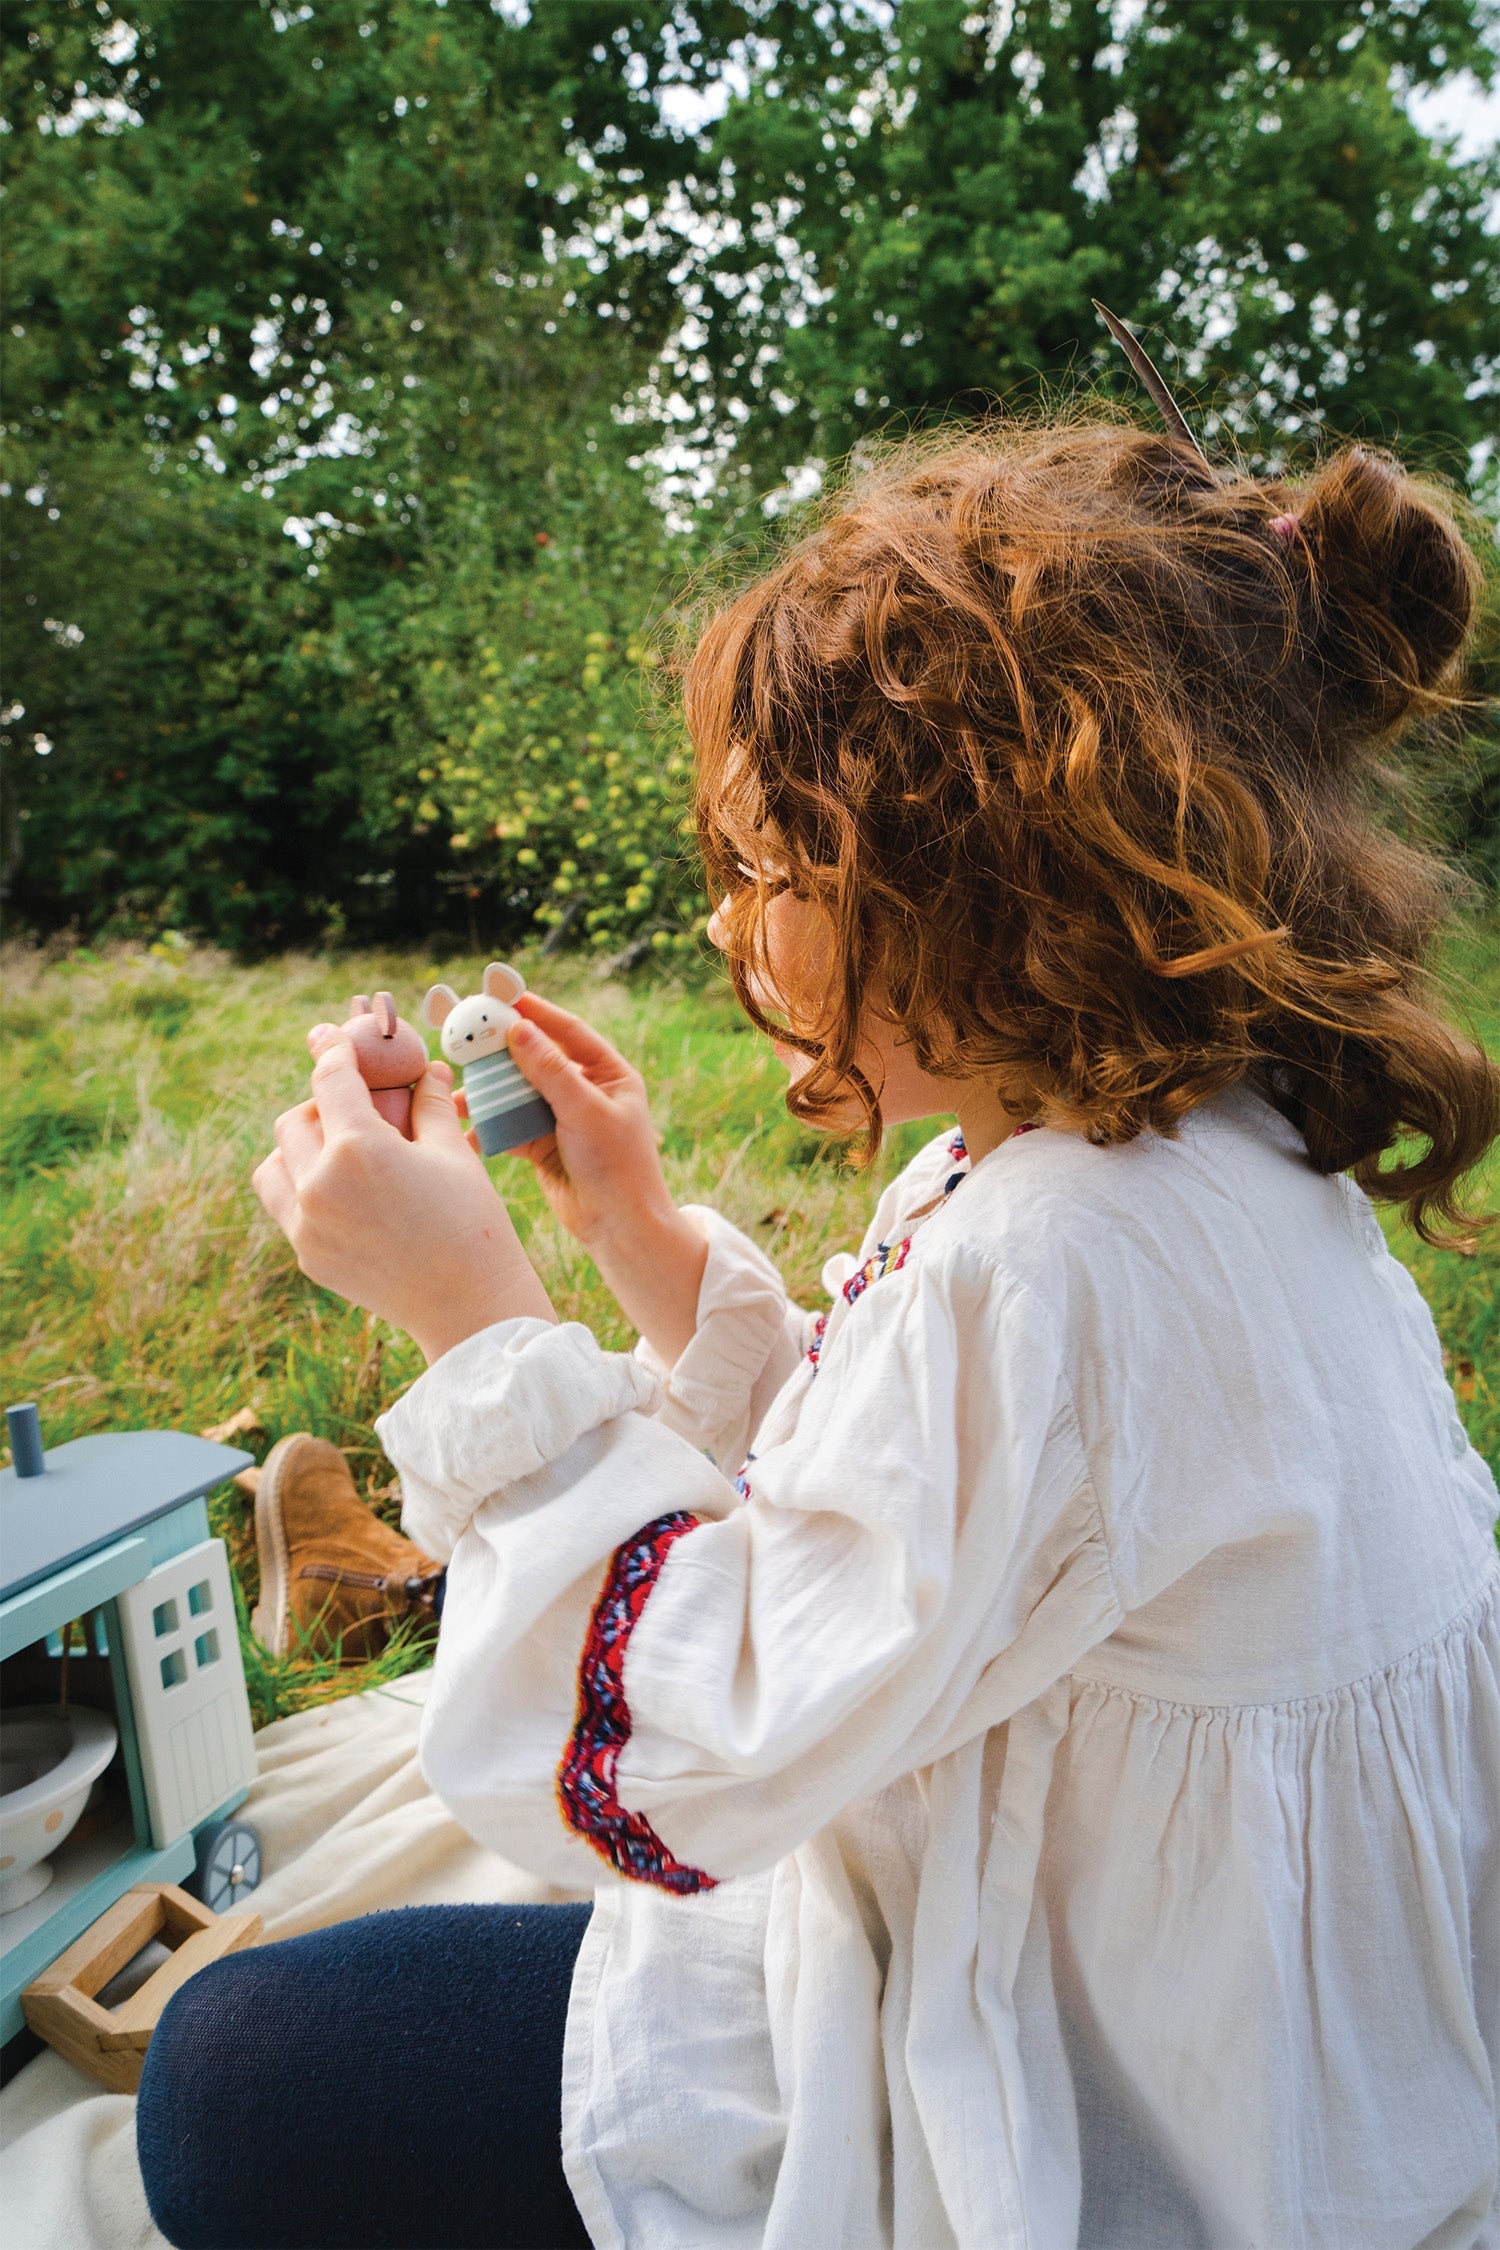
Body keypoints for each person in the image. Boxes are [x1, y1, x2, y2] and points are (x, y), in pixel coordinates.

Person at [137, 422, 1500, 2250]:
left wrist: (470, 1318)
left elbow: (697, 1755)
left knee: (234, 2074)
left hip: (1125, 2100)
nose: (725, 918)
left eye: (771, 864)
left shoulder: (1059, 1260)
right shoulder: (1176, 1148)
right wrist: (624, 1223)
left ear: (991, 881)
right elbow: (931, 1534)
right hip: (1257, 2014)